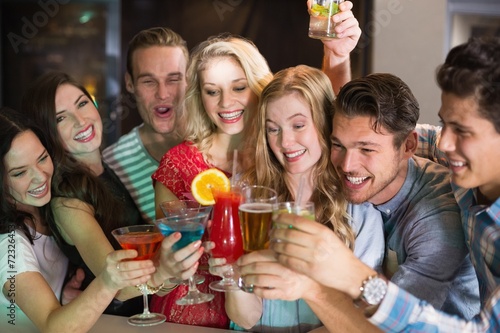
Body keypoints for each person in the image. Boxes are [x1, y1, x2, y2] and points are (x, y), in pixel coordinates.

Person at [257, 37, 500, 331]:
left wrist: (337, 278)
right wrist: (337, 54)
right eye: (338, 145)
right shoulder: (460, 164)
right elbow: (359, 129)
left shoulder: (438, 215)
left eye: (367, 150)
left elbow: (388, 328)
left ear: (407, 147)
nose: (445, 143)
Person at [150, 1, 363, 328]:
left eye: (238, 87)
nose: (226, 103)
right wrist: (170, 267)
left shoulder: (283, 154)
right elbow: (165, 264)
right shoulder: (180, 163)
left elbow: (325, 119)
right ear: (199, 97)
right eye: (212, 91)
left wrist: (337, 54)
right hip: (194, 316)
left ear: (259, 87)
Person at [224, 64, 385, 332]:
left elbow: (361, 320)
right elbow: (245, 318)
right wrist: (231, 273)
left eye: (298, 125)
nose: (285, 142)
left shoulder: (358, 208)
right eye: (273, 129)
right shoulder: (249, 197)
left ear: (324, 122)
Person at [21, 73, 197, 316]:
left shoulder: (102, 170)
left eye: (82, 103)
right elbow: (115, 286)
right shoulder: (67, 202)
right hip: (115, 323)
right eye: (61, 118)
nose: (81, 120)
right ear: (47, 134)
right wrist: (165, 272)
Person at [0, 107, 155, 332]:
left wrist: (60, 294)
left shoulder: (44, 209)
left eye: (42, 158)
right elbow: (55, 327)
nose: (40, 176)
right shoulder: (8, 246)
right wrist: (107, 281)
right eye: (19, 173)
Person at [102, 27, 189, 223]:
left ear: (189, 80)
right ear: (130, 83)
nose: (163, 93)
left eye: (173, 79)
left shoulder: (218, 142)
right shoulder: (113, 164)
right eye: (149, 81)